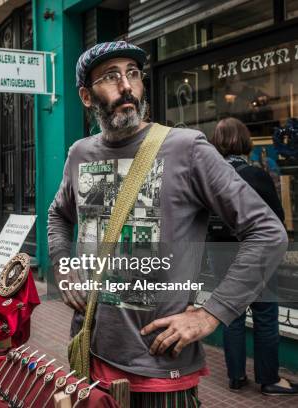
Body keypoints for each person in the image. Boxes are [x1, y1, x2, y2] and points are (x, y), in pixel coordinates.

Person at [48, 41, 287, 406]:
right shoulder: (80, 154)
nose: (127, 85)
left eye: (132, 73)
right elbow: (58, 216)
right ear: (85, 96)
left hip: (160, 372)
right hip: (90, 355)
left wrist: (211, 314)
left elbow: (267, 233)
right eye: (111, 76)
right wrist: (65, 270)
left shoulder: (187, 148)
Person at [207, 117, 297, 395]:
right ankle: (269, 379)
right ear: (244, 141)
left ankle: (236, 377)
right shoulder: (255, 175)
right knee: (265, 314)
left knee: (231, 313)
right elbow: (276, 220)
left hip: (218, 251)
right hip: (253, 252)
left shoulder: (209, 176)